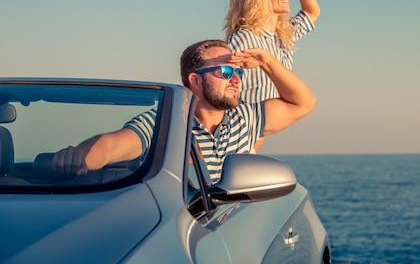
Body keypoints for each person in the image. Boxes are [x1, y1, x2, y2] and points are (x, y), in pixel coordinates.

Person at [51, 39, 315, 184]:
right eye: (225, 71)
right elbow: (111, 146)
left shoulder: (245, 119)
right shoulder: (168, 124)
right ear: (196, 81)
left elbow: (303, 103)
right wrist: (79, 157)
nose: (235, 78)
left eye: (238, 71)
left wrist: (267, 62)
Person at [224, 0, 320, 152]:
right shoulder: (245, 38)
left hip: (252, 142)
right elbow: (221, 84)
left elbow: (312, 12)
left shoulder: (283, 36)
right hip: (235, 142)